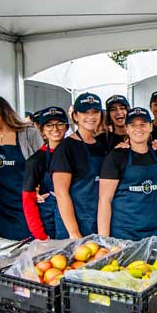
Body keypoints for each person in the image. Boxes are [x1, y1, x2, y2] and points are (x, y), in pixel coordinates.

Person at [0, 95, 43, 240]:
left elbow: (42, 163)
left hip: (21, 203)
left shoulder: (29, 133)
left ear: (2, 112)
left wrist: (39, 186)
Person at [98, 107, 157, 240]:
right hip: (123, 234)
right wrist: (104, 240)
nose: (138, 129)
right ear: (127, 129)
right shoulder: (116, 157)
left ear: (151, 127)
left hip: (154, 233)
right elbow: (104, 200)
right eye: (133, 125)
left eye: (143, 124)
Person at [51, 92, 106, 238]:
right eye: (85, 112)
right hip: (73, 224)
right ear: (75, 116)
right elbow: (61, 193)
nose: (91, 116)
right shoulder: (66, 148)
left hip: (95, 220)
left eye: (95, 112)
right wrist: (74, 232)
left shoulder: (100, 145)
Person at [22, 106, 68, 241]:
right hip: (50, 223)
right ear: (41, 130)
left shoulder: (76, 153)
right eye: (49, 125)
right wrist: (40, 236)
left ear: (66, 127)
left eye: (59, 124)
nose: (55, 129)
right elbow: (28, 200)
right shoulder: (35, 161)